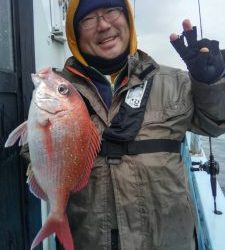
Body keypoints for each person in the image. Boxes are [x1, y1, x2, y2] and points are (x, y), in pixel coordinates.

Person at [41, 0, 225, 249]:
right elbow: (34, 153)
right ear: (74, 33)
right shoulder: (57, 90)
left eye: (112, 11)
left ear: (128, 18)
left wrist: (211, 82)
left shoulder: (176, 82)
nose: (104, 25)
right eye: (88, 19)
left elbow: (214, 124)